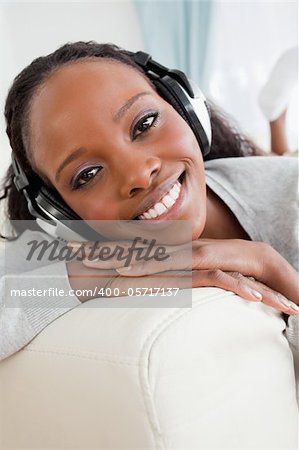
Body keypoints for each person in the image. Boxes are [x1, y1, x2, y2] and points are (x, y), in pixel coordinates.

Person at [0, 42, 298, 368]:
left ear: (185, 109)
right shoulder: (68, 248)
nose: (138, 175)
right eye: (87, 174)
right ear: (58, 213)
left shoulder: (290, 193)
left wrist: (271, 266)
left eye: (144, 123)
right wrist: (112, 268)